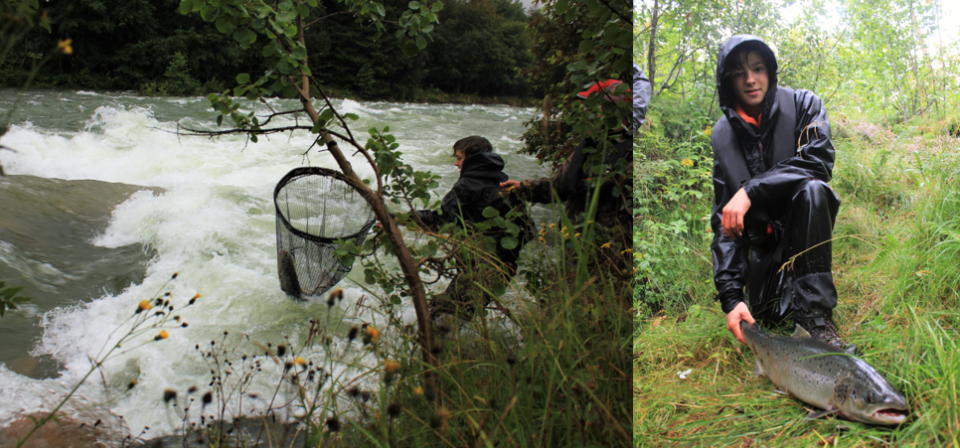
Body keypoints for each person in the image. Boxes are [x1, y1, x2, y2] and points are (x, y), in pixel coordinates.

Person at [709, 35, 851, 351]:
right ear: (727, 81)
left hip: (805, 231)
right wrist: (731, 298)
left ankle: (816, 321)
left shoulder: (804, 105)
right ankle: (779, 293)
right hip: (765, 246)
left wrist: (751, 191)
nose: (750, 79)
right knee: (768, 315)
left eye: (758, 68)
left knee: (814, 190)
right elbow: (724, 224)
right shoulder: (722, 136)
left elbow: (817, 161)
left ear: (770, 71)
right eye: (738, 73)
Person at [500, 65, 649, 230]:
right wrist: (523, 188)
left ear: (614, 111)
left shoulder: (638, 157)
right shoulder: (590, 146)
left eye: (593, 108)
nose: (585, 115)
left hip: (611, 250)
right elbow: (559, 185)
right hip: (576, 246)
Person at [414, 136, 532, 320]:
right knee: (456, 311)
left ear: (473, 159)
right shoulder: (503, 183)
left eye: (459, 158)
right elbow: (527, 230)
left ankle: (441, 346)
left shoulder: (468, 184)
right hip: (504, 267)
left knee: (446, 314)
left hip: (484, 267)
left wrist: (401, 218)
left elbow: (442, 219)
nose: (456, 163)